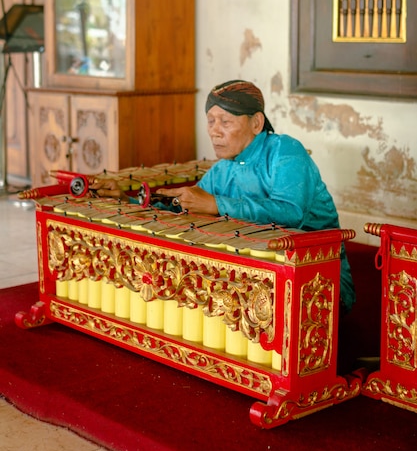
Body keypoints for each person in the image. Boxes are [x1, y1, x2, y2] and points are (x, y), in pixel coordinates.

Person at [91, 79, 355, 313]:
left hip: (314, 274)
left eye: (225, 122)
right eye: (211, 121)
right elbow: (182, 207)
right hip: (255, 270)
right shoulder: (223, 169)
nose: (214, 131)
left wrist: (216, 204)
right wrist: (125, 200)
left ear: (256, 123)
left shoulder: (285, 151)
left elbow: (291, 213)